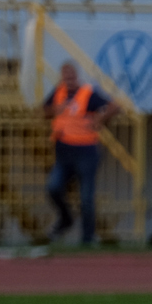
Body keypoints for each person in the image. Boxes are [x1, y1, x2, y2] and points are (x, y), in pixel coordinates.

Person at [43, 62, 118, 245]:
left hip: (85, 150)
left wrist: (99, 119)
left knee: (86, 196)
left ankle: (87, 237)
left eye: (71, 75)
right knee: (53, 188)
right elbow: (44, 111)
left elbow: (114, 107)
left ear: (76, 76)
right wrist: (55, 110)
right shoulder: (58, 92)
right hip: (63, 152)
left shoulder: (87, 92)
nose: (68, 79)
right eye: (65, 75)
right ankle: (66, 219)